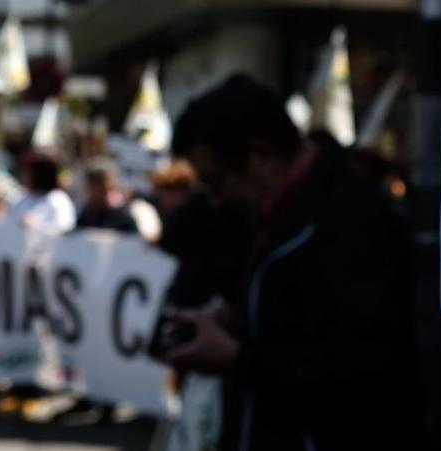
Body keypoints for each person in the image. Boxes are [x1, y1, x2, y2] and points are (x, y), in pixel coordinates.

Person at [161, 74, 413, 451]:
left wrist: (235, 357)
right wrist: (234, 321)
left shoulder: (349, 223)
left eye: (215, 181)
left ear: (260, 155)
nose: (215, 199)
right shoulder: (273, 213)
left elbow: (355, 374)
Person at [11, 152, 76, 237]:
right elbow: (8, 220)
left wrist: (36, 224)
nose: (25, 177)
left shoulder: (58, 199)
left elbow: (66, 227)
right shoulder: (21, 198)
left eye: (29, 173)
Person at [74, 159, 138, 234]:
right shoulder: (86, 215)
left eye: (102, 187)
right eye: (94, 185)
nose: (98, 191)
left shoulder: (122, 216)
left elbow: (133, 240)